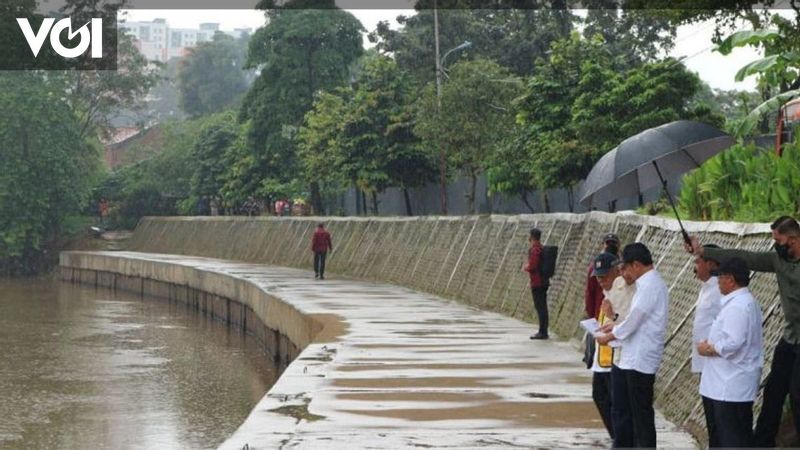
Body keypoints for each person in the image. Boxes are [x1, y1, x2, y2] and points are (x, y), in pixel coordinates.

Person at [687, 216, 800, 447]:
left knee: (797, 394)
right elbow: (746, 258)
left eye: (778, 240)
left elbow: (733, 343)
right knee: (773, 392)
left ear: (793, 239)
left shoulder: (742, 306)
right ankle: (762, 443)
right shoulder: (778, 260)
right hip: (790, 338)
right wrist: (703, 251)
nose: (775, 245)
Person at [596, 243, 668, 448]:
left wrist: (610, 335)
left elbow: (635, 319)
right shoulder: (645, 285)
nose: (623, 273)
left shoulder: (650, 285)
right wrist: (614, 327)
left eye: (625, 268)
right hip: (631, 355)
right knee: (625, 410)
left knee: (641, 415)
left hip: (640, 358)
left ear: (636, 265)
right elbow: (631, 322)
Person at [698, 257, 763, 448]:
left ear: (731, 279)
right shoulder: (739, 302)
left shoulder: (739, 306)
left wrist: (709, 348)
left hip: (730, 386)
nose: (717, 282)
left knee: (732, 439)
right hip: (721, 384)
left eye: (720, 278)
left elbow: (733, 342)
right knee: (721, 438)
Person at [590, 252, 622, 439]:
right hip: (601, 359)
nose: (601, 280)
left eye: (604, 276)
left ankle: (621, 439)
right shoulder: (606, 293)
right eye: (598, 277)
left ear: (616, 272)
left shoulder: (623, 293)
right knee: (600, 397)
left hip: (615, 360)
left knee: (616, 405)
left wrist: (613, 317)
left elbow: (627, 324)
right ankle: (616, 437)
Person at [691, 245, 722, 375]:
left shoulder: (720, 290)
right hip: (704, 357)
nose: (695, 268)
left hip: (715, 358)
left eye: (698, 262)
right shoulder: (706, 288)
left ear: (710, 264)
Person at [523, 227, 548, 340]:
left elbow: (533, 265)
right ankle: (543, 330)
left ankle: (542, 332)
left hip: (537, 282)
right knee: (543, 307)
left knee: (540, 307)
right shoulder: (542, 248)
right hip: (544, 281)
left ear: (532, 237)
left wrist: (526, 267)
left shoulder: (535, 250)